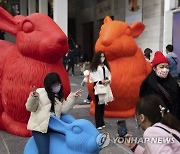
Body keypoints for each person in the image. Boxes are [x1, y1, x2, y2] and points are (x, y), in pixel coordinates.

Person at [25, 72, 82, 154]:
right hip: (40, 128)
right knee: (44, 152)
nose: (57, 86)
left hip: (55, 126)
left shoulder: (58, 96)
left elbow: (64, 110)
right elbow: (30, 108)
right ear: (48, 85)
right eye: (54, 85)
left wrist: (73, 98)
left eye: (58, 84)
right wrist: (33, 98)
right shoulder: (40, 93)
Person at [140, 51, 180, 120]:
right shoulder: (148, 84)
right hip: (158, 120)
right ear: (154, 68)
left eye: (167, 67)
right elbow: (146, 104)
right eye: (162, 67)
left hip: (174, 119)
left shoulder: (172, 81)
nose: (165, 70)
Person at [89, 51, 114, 130]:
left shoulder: (105, 66)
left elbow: (109, 74)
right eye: (101, 56)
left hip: (105, 86)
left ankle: (102, 121)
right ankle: (98, 123)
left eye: (103, 56)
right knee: (98, 105)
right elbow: (93, 77)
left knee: (103, 105)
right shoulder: (95, 67)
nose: (102, 58)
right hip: (98, 87)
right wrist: (100, 81)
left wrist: (108, 80)